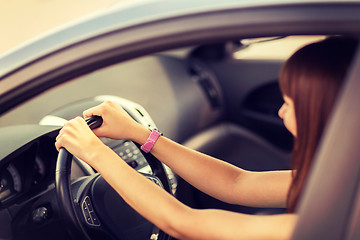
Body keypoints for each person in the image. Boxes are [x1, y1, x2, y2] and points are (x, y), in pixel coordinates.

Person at [55, 37, 357, 240]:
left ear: (326, 114)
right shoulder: (343, 184)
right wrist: (141, 134)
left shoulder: (333, 223)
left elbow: (181, 224)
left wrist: (96, 154)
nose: (280, 112)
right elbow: (237, 183)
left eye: (289, 104)